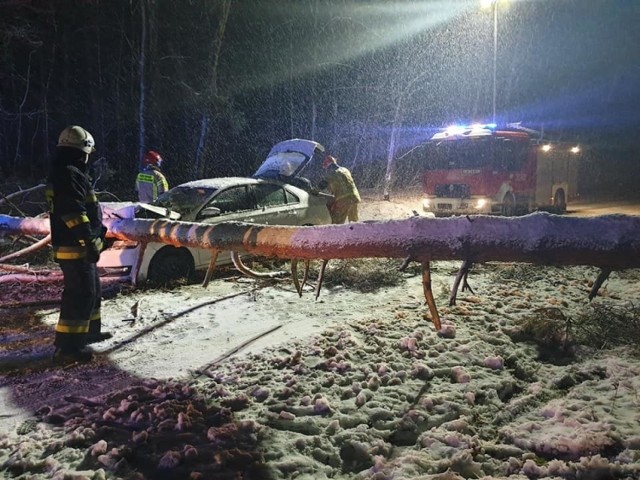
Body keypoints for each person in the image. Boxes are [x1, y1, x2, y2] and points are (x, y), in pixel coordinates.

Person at [46, 125, 112, 363]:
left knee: (92, 290)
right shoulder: (69, 173)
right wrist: (87, 239)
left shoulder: (69, 171)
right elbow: (73, 211)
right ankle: (67, 349)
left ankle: (89, 333)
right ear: (82, 150)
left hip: (80, 244)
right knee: (80, 294)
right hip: (74, 246)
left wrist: (98, 234)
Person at [321, 155, 361, 224]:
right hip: (354, 197)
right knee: (354, 222)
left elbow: (322, 185)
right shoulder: (345, 170)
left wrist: (313, 190)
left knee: (337, 223)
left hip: (343, 200)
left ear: (328, 164)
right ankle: (355, 234)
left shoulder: (332, 173)